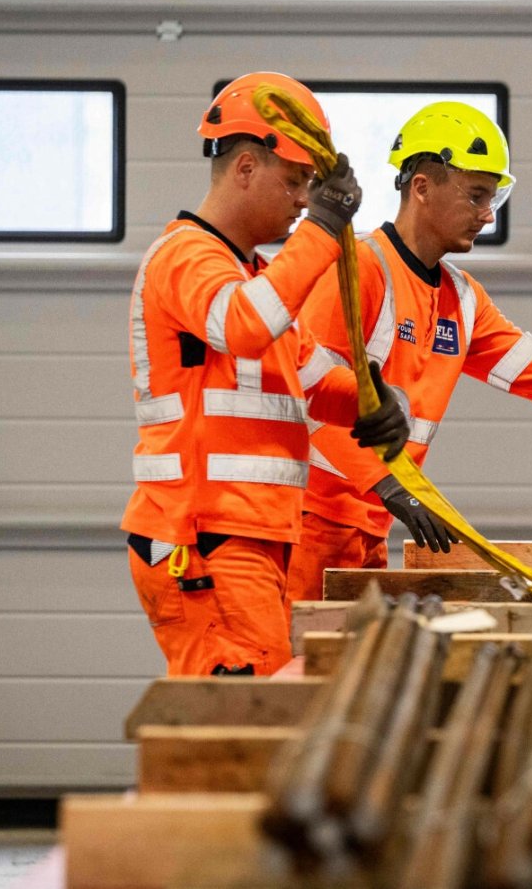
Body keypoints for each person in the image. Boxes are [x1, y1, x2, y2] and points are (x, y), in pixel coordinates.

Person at [286, 101, 532, 601]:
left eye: (493, 197)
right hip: (308, 524)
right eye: (476, 194)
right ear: (421, 187)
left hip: (369, 523)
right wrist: (388, 484)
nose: (486, 213)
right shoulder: (357, 271)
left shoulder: (460, 298)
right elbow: (306, 392)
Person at [122, 71, 409, 676]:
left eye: (311, 186)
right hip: (205, 539)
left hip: (248, 536)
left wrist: (371, 400)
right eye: (295, 181)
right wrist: (324, 232)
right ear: (246, 167)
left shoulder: (252, 277)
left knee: (256, 712)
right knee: (243, 717)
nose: (305, 199)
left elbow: (307, 379)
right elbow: (242, 326)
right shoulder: (186, 258)